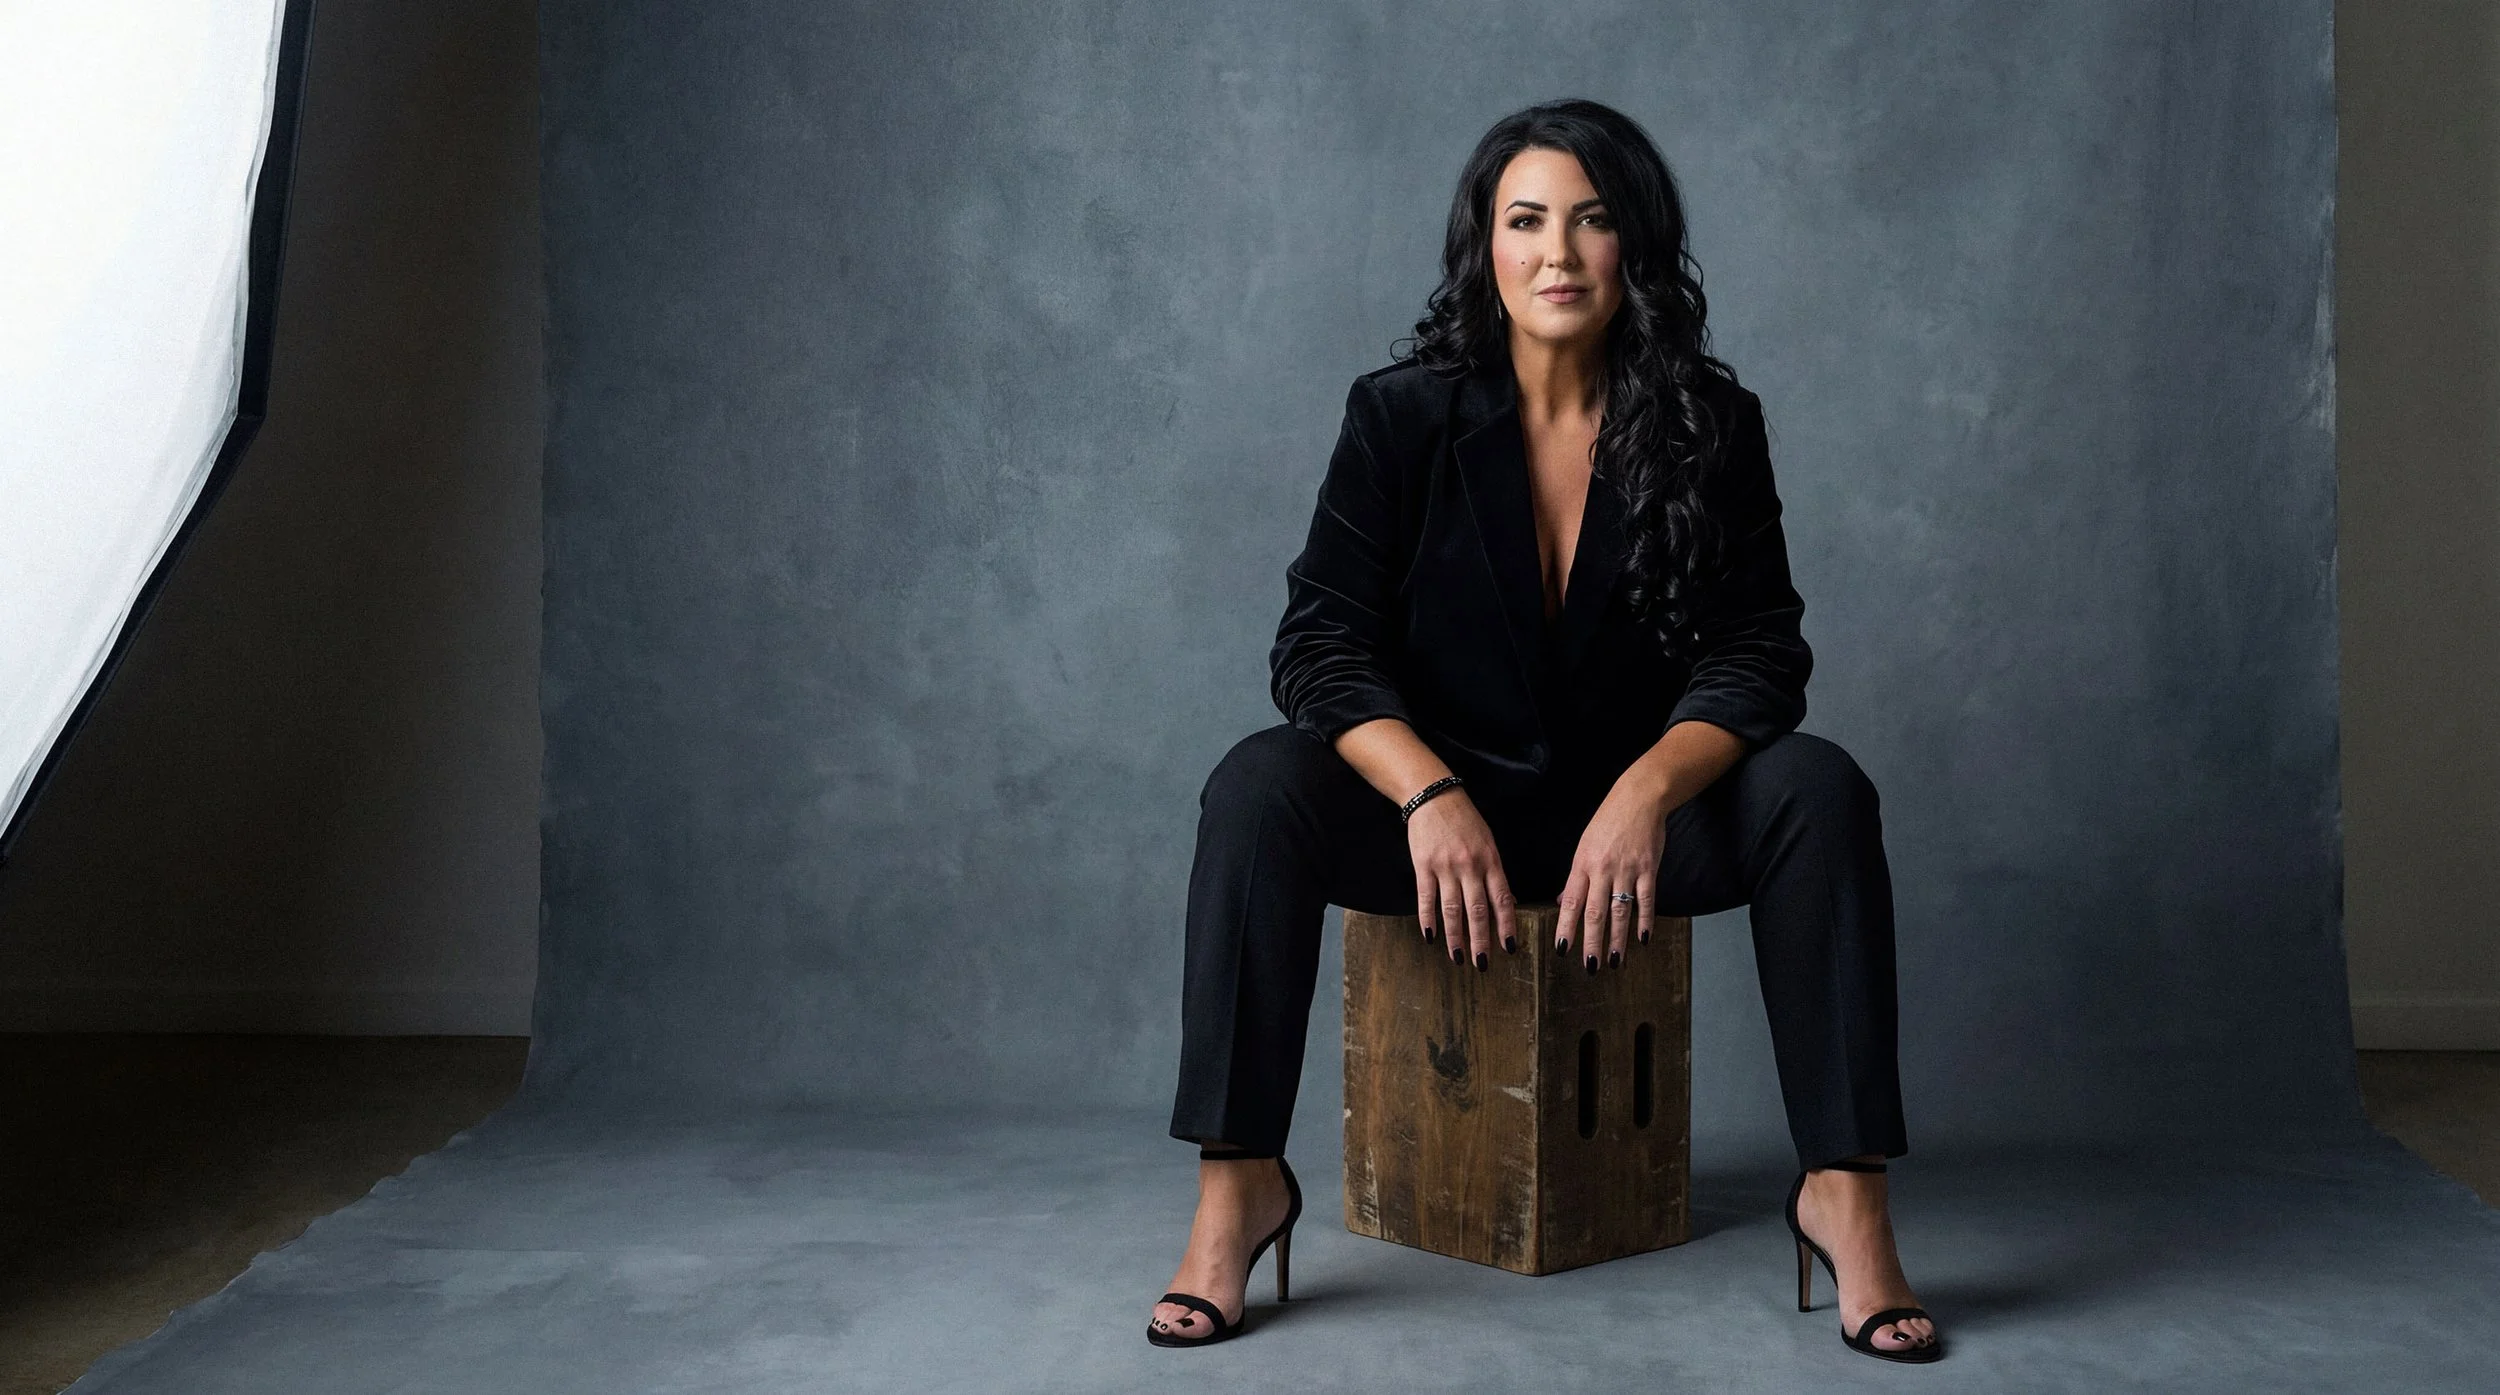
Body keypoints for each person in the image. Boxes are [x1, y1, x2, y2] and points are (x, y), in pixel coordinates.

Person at [1143, 99, 1943, 1364]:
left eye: (1592, 219)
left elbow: (1759, 650)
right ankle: (1237, 1185)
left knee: (1818, 786)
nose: (1557, 252)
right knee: (1256, 782)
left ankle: (1845, 1197)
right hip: (1437, 829)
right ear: (1486, 244)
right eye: (1525, 220)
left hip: (1631, 840)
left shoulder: (1711, 424)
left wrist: (1646, 795)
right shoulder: (1400, 416)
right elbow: (1320, 643)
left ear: (1636, 246)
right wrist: (1425, 793)